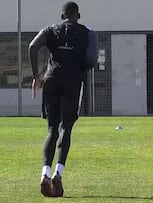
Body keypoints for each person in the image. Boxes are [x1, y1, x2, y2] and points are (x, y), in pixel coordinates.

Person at [29, 1, 98, 197]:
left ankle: (45, 174)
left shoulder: (50, 30)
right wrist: (79, 68)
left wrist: (36, 75)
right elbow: (92, 59)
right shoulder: (88, 32)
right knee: (66, 128)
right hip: (73, 81)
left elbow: (33, 46)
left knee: (52, 128)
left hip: (51, 80)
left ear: (62, 16)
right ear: (79, 15)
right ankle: (58, 173)